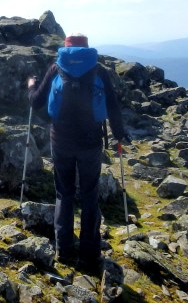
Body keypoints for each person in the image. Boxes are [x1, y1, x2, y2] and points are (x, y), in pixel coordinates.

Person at [27, 32, 128, 272]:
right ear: (87, 47)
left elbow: (35, 102)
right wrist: (120, 134)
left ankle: (63, 249)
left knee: (65, 193)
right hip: (91, 143)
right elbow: (113, 106)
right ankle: (89, 254)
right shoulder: (99, 71)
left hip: (60, 140)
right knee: (90, 194)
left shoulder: (56, 68)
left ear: (66, 47)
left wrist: (31, 84)